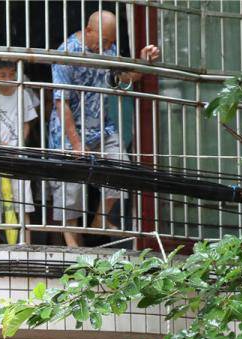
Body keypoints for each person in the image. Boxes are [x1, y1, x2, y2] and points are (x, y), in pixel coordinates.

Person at [49, 10, 160, 246]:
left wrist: (143, 60)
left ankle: (100, 219)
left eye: (111, 41)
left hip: (102, 127)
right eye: (105, 40)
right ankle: (73, 249)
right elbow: (62, 102)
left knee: (121, 167)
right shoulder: (67, 52)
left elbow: (127, 78)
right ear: (88, 31)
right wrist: (76, 144)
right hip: (69, 131)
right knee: (70, 189)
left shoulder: (108, 49)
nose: (108, 46)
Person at [0, 60, 38, 245]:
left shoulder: (22, 93)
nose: (8, 79)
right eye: (2, 75)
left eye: (11, 74)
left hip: (18, 153)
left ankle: (25, 243)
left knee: (23, 202)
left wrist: (18, 144)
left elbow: (27, 124)